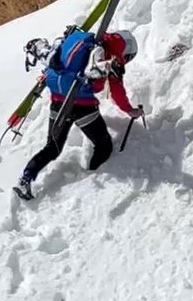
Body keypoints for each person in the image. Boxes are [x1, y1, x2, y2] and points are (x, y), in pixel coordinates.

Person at [14, 28, 142, 201]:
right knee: (103, 145)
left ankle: (26, 178)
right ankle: (92, 178)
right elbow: (116, 92)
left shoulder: (88, 42)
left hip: (59, 100)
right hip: (82, 105)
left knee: (52, 148)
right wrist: (130, 110)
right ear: (127, 52)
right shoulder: (113, 56)